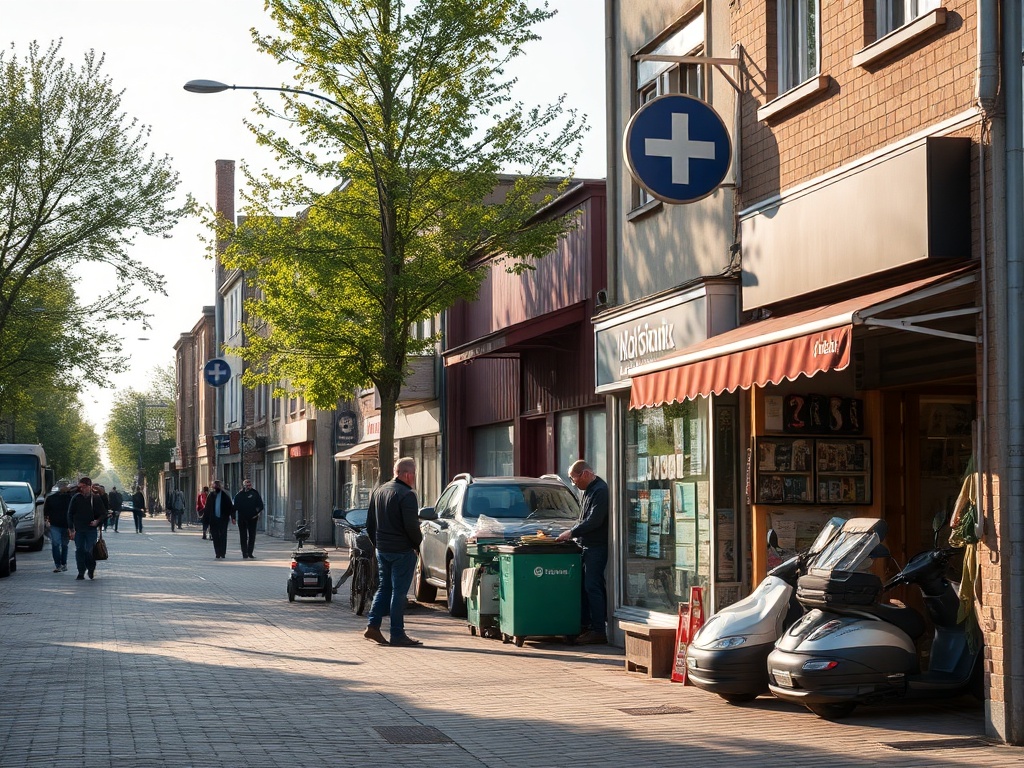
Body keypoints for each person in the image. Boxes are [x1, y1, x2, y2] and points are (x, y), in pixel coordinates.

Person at [363, 457, 423, 647]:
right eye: (414, 474)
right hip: (402, 551)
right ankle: (397, 634)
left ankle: (373, 625)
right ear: (407, 474)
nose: (414, 478)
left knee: (384, 588)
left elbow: (370, 524)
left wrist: (377, 544)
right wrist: (417, 544)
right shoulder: (407, 495)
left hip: (383, 549)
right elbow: (412, 526)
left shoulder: (379, 491)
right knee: (399, 592)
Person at [557, 459, 610, 645]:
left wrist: (572, 532)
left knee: (592, 586)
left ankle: (598, 630)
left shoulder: (600, 491)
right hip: (586, 545)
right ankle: (586, 625)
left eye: (574, 479)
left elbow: (594, 520)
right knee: (585, 587)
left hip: (596, 546)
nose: (574, 483)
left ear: (586, 474)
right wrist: (571, 533)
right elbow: (583, 519)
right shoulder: (588, 491)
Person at [68, 477, 106, 580]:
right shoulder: (76, 498)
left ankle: (91, 569)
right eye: (80, 487)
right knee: (79, 550)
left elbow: (103, 514)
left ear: (89, 487)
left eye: (83, 487)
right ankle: (81, 572)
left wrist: (97, 521)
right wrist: (71, 529)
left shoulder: (96, 499)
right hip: (79, 530)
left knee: (89, 551)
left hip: (91, 530)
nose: (81, 489)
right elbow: (70, 513)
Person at [43, 481, 74, 573]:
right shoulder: (52, 498)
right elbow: (46, 511)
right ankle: (58, 564)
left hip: (66, 525)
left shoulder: (70, 498)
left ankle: (63, 564)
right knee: (56, 544)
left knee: (64, 545)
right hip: (56, 525)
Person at [233, 479, 264, 559]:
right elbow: (234, 507)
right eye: (246, 485)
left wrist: (256, 513)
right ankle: (244, 552)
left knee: (252, 536)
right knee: (243, 536)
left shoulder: (255, 493)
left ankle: (250, 552)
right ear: (243, 486)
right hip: (242, 518)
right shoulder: (239, 495)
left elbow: (260, 505)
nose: (248, 487)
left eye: (249, 485)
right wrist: (233, 517)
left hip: (253, 518)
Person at [205, 480, 235, 559]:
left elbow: (230, 507)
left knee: (223, 535)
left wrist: (233, 517)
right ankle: (217, 552)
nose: (216, 487)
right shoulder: (211, 496)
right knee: (215, 536)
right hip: (213, 519)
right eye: (214, 486)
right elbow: (207, 508)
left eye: (217, 486)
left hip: (223, 519)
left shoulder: (225, 495)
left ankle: (223, 552)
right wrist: (206, 520)